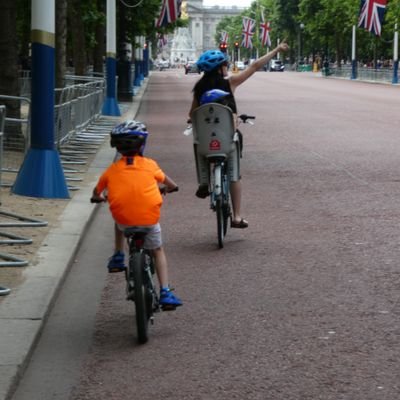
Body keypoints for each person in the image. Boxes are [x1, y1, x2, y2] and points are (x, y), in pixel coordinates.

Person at [188, 41, 289, 229]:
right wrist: (276, 49)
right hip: (227, 139)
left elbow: (191, 114)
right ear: (221, 68)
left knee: (198, 143)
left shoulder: (199, 89)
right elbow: (255, 66)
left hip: (206, 141)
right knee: (234, 174)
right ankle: (237, 216)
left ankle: (203, 182)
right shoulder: (230, 83)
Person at [91, 120, 182, 308]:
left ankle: (118, 255)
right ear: (142, 144)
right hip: (149, 220)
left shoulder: (112, 170)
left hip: (124, 221)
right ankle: (165, 291)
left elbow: (97, 191)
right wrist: (168, 188)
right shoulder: (150, 165)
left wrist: (98, 198)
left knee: (118, 221)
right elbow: (171, 185)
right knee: (157, 251)